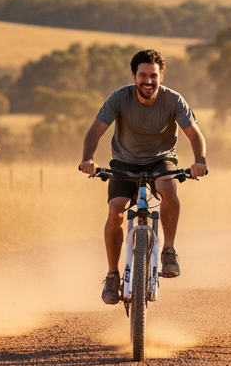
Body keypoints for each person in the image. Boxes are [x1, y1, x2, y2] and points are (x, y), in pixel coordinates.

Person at [79, 48, 208, 304]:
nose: (148, 81)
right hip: (124, 162)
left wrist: (200, 161)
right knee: (115, 212)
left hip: (162, 160)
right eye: (143, 75)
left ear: (161, 76)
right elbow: (94, 132)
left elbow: (194, 134)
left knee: (168, 188)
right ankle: (113, 274)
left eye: (153, 75)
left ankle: (169, 251)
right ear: (133, 76)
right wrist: (88, 159)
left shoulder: (173, 100)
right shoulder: (119, 97)